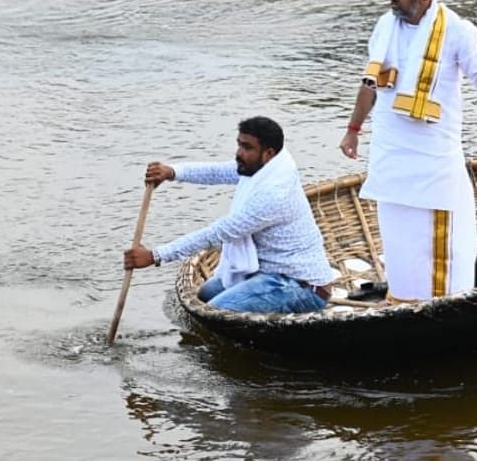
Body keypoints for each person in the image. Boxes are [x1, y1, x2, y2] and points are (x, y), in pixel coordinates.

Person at [339, 0, 477, 302]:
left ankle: (445, 303)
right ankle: (404, 299)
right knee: (399, 237)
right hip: (391, 156)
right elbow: (369, 85)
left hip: (434, 161)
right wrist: (353, 129)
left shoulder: (457, 30)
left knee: (441, 243)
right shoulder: (385, 27)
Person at [123, 116, 336, 314]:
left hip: (300, 285)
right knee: (205, 294)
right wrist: (172, 172)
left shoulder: (273, 193)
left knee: (215, 311)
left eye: (247, 147)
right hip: (268, 271)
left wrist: (155, 256)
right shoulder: (266, 167)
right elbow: (220, 171)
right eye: (239, 144)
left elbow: (218, 233)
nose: (239, 153)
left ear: (268, 153)